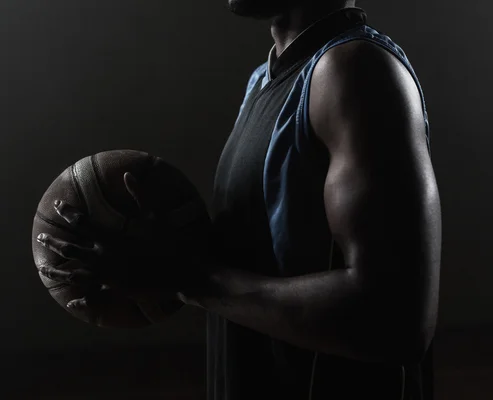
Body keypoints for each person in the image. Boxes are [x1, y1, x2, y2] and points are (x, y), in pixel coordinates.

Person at [36, 1, 441, 399]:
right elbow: (259, 260)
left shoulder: (354, 70)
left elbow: (397, 319)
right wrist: (140, 249)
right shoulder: (264, 81)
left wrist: (186, 277)